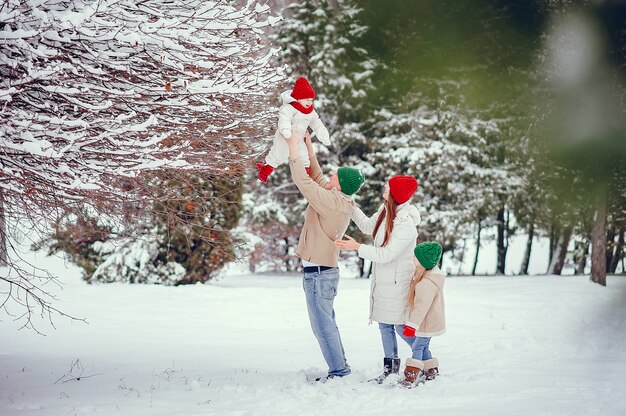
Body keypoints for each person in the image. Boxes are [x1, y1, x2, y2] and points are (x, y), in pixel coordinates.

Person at [285, 130, 364, 381]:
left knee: (322, 327)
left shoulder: (331, 201)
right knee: (325, 324)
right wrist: (309, 146)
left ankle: (339, 372)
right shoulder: (336, 198)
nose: (331, 174)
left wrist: (291, 147)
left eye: (336, 175)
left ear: (340, 184)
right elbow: (317, 176)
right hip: (321, 272)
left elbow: (303, 180)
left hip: (319, 275)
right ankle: (341, 368)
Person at [334, 175, 421, 383]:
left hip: (398, 282)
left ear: (394, 194)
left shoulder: (406, 224)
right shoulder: (385, 210)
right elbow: (366, 226)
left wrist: (358, 248)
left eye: (387, 186)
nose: (384, 186)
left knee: (400, 326)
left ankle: (425, 360)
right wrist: (349, 202)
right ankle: (390, 370)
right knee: (384, 324)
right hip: (384, 281)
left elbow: (386, 254)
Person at [256, 77, 330, 183]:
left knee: (304, 157)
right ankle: (265, 170)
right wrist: (286, 130)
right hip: (285, 137)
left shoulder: (311, 112)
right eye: (306, 100)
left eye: (311, 100)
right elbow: (284, 119)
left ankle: (306, 177)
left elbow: (317, 123)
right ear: (299, 98)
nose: (309, 102)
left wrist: (322, 134)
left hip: (299, 139)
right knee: (278, 154)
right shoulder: (289, 108)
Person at [399, 241, 446, 388]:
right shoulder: (427, 278)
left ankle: (410, 377)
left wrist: (412, 326)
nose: (413, 258)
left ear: (423, 262)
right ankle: (431, 371)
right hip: (428, 322)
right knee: (423, 347)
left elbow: (421, 308)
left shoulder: (426, 283)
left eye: (416, 257)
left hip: (426, 323)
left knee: (418, 347)